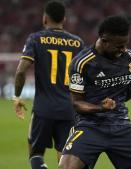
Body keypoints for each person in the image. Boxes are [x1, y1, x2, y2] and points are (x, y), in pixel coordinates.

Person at [58, 15, 131, 169]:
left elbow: (126, 96)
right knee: (66, 168)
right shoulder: (81, 63)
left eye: (125, 44)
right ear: (104, 40)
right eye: (119, 46)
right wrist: (100, 108)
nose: (123, 49)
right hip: (89, 126)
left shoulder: (128, 57)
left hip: (120, 125)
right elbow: (76, 103)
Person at [12, 1, 84, 169]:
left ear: (45, 18)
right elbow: (86, 76)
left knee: (35, 153)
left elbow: (21, 71)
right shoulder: (78, 43)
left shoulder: (36, 39)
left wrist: (16, 97)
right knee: (65, 159)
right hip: (69, 110)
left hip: (43, 109)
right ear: (64, 19)